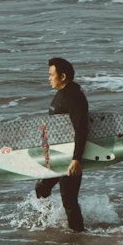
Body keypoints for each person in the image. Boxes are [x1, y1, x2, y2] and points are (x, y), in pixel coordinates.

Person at [35, 57, 88, 232]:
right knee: (42, 188)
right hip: (58, 155)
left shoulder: (74, 97)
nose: (49, 78)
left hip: (70, 156)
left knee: (69, 200)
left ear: (63, 76)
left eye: (51, 74)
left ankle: (78, 236)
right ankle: (48, 220)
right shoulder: (61, 94)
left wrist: (76, 159)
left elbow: (81, 128)